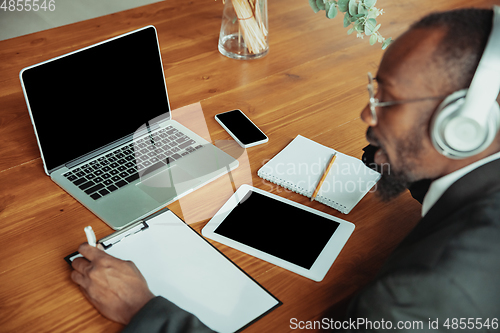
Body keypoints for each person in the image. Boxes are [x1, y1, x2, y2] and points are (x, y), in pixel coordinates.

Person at [71, 7, 500, 332]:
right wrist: (396, 156)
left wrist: (144, 311)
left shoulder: (423, 293)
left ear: (462, 128)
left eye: (386, 101)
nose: (367, 114)